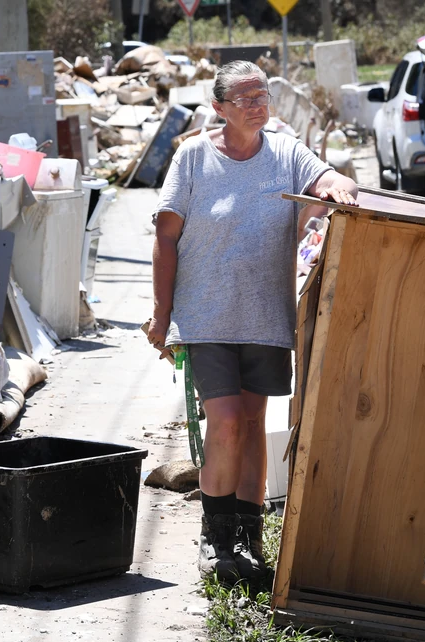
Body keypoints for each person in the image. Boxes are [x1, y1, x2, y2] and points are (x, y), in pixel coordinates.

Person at [147, 60, 358, 582]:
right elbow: (166, 237)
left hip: (266, 316)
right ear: (219, 108)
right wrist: (161, 316)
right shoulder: (193, 157)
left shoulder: (285, 152)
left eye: (262, 95)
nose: (256, 105)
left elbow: (327, 175)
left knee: (251, 424)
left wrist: (339, 185)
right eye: (243, 98)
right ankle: (216, 540)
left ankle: (249, 538)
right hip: (206, 316)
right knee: (223, 421)